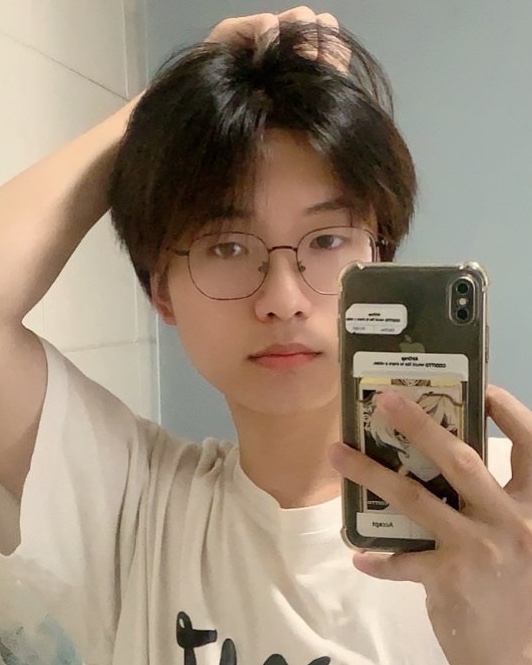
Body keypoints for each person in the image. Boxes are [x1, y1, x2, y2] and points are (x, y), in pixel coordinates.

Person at [0, 7, 531, 665]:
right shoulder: (134, 506)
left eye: (327, 240)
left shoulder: (509, 515)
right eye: (226, 246)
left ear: (378, 265)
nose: (282, 299)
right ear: (161, 291)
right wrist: (165, 114)